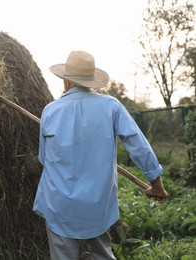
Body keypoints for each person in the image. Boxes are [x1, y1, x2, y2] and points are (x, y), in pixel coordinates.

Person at [33, 50, 168, 260]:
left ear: (66, 82)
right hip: (97, 204)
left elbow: (44, 159)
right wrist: (156, 183)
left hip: (59, 204)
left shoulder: (50, 111)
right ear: (91, 81)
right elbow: (138, 145)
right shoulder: (111, 107)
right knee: (102, 254)